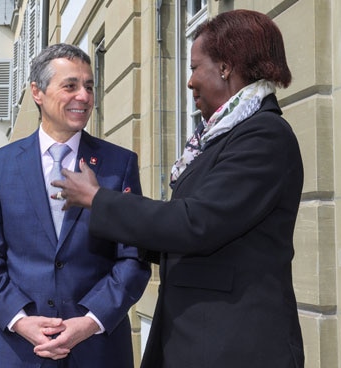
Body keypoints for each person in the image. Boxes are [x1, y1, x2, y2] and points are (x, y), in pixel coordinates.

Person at [53, 10, 305, 368]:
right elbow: (184, 237)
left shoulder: (264, 135)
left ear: (226, 67)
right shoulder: (222, 138)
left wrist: (98, 200)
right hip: (200, 338)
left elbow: (194, 223)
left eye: (194, 67)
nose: (189, 82)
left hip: (235, 346)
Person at [0, 43, 151, 368]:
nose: (84, 96)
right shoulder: (0, 166)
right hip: (21, 352)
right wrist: (20, 320)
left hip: (99, 351)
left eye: (89, 87)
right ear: (37, 92)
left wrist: (91, 320)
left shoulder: (119, 164)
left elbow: (133, 257)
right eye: (71, 86)